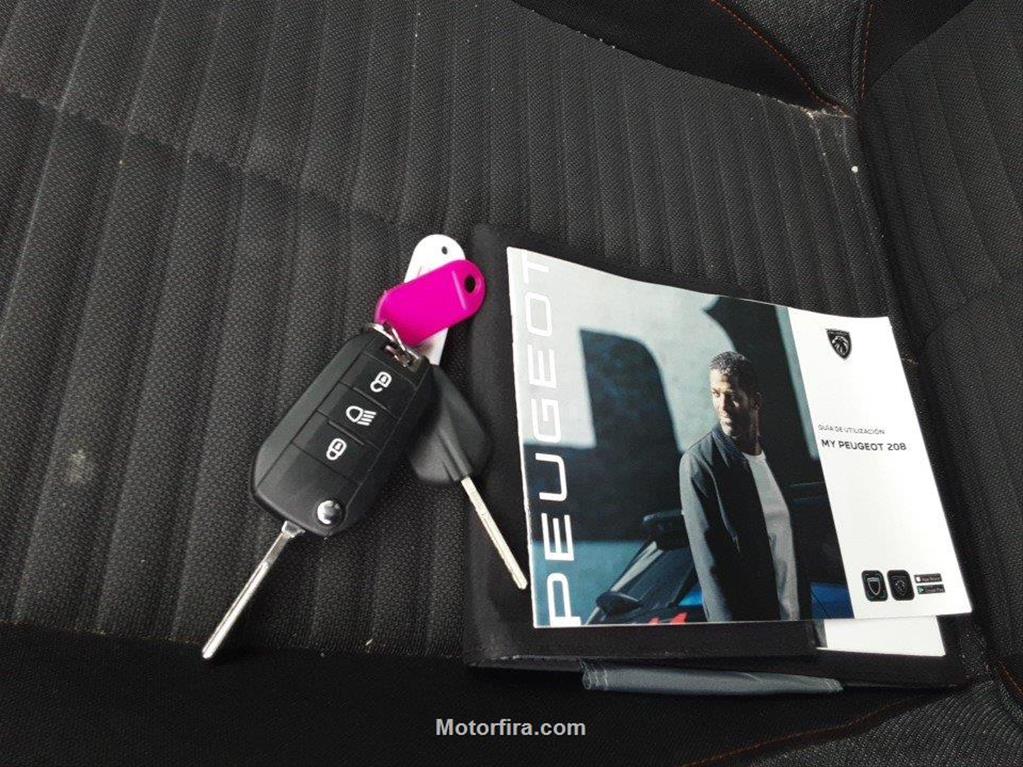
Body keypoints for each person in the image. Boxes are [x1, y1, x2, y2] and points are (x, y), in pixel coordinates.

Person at [678, 351, 810, 622]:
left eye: (732, 396)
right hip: (753, 630)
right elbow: (711, 568)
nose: (723, 406)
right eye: (715, 394)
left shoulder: (777, 459)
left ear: (755, 401)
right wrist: (737, 638)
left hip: (797, 620)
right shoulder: (701, 463)